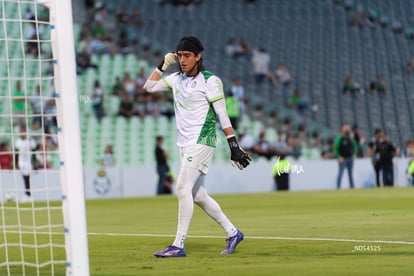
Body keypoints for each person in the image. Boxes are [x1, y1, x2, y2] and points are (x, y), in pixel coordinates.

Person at [143, 36, 251, 257]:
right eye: (180, 55)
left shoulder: (210, 81)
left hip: (203, 140)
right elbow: (149, 87)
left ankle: (178, 245)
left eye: (187, 56)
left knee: (182, 188)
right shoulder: (175, 79)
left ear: (198, 57)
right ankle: (233, 233)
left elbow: (222, 114)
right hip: (185, 144)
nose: (183, 60)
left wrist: (234, 146)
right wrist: (164, 64)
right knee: (199, 196)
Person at [15, 127, 37, 202]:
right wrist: (15, 163)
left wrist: (35, 162)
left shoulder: (30, 141)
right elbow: (16, 154)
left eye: (23, 131)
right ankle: (28, 195)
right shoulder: (18, 142)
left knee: (27, 178)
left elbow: (34, 152)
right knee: (25, 178)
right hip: (21, 162)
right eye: (20, 131)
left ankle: (28, 195)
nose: (22, 133)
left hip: (28, 162)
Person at [334, 124, 357, 189]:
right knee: (340, 174)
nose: (347, 130)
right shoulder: (340, 138)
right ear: (342, 130)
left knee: (350, 175)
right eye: (345, 129)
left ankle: (352, 187)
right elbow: (336, 149)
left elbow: (355, 147)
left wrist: (354, 154)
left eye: (347, 128)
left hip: (350, 158)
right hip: (343, 159)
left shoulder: (351, 138)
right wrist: (339, 157)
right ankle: (338, 187)